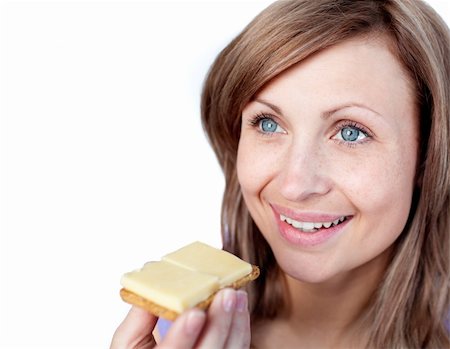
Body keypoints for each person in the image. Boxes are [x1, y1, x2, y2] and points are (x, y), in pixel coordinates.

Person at [110, 0, 450, 348]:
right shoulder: (170, 334)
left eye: (351, 132)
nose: (295, 184)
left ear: (428, 156)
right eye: (269, 124)